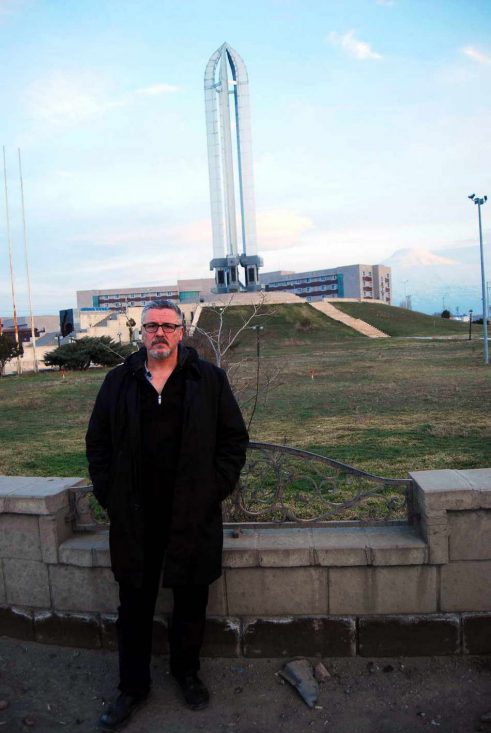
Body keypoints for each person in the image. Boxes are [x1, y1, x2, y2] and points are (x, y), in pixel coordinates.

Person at [86, 299, 248, 730]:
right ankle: (132, 687)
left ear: (181, 332)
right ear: (141, 332)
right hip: (135, 516)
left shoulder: (208, 380)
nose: (159, 333)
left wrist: (212, 489)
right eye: (151, 325)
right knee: (133, 605)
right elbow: (97, 442)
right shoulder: (119, 381)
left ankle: (186, 673)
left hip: (191, 514)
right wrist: (110, 494)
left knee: (191, 599)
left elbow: (233, 440)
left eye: (168, 326)